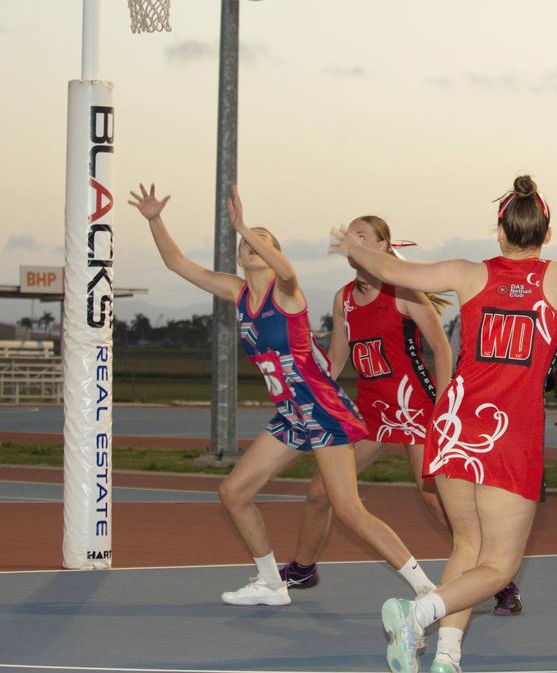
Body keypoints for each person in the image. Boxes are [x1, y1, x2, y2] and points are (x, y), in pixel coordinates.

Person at [328, 172, 557, 673]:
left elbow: (393, 269)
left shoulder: (467, 273)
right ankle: (417, 614)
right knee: (499, 565)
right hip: (508, 433)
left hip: (457, 424)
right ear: (546, 234)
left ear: (499, 231)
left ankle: (447, 655)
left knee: (467, 548)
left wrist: (354, 248)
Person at [129, 185, 436, 606]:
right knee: (233, 494)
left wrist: (243, 226)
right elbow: (177, 262)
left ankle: (428, 590)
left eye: (263, 242)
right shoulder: (236, 292)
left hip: (324, 410)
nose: (252, 247)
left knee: (348, 510)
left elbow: (288, 268)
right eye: (246, 244)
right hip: (291, 415)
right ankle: (272, 583)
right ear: (239, 257)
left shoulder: (287, 293)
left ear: (271, 253)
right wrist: (154, 220)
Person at [275, 216, 456, 588]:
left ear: (382, 247)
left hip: (416, 408)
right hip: (371, 413)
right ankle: (304, 568)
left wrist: (444, 406)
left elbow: (440, 347)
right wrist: (305, 378)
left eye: (362, 236)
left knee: (434, 499)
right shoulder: (343, 298)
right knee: (319, 491)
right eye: (350, 235)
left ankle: (493, 575)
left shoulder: (403, 291)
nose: (352, 242)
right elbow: (337, 360)